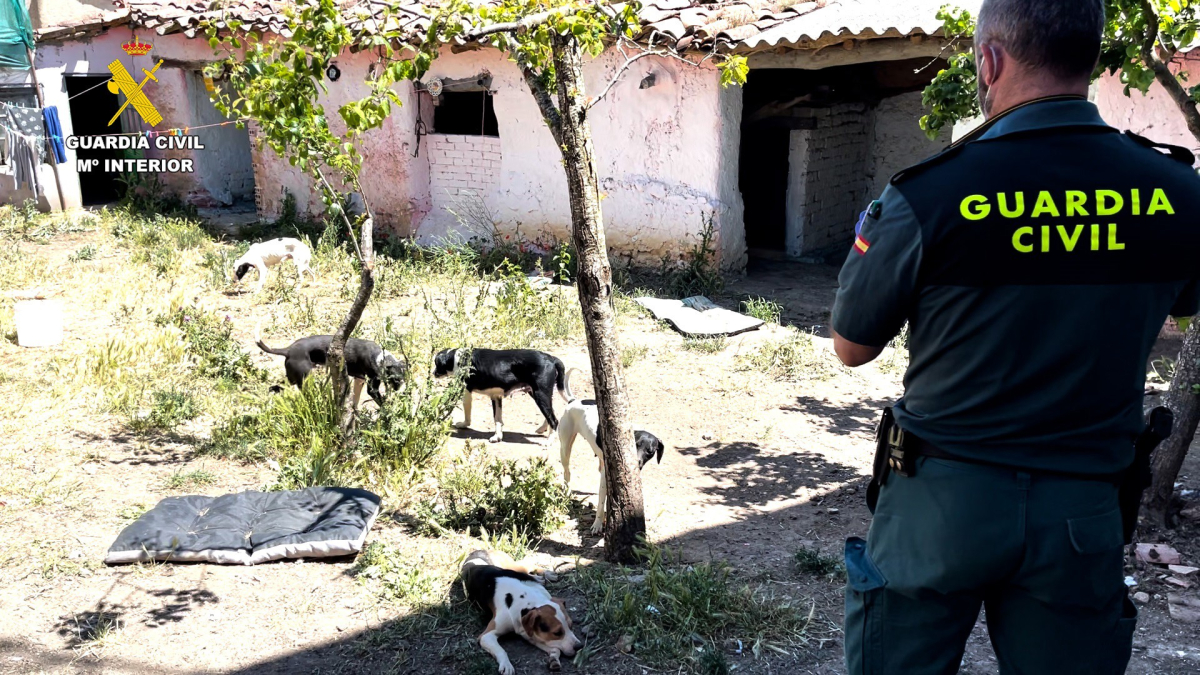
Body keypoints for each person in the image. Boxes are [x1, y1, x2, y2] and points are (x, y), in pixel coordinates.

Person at [830, 0, 1200, 672]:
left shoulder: (928, 195)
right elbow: (1182, 308)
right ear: (1090, 57)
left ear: (990, 60)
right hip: (1082, 511)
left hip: (938, 505)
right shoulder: (1175, 192)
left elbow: (852, 345)